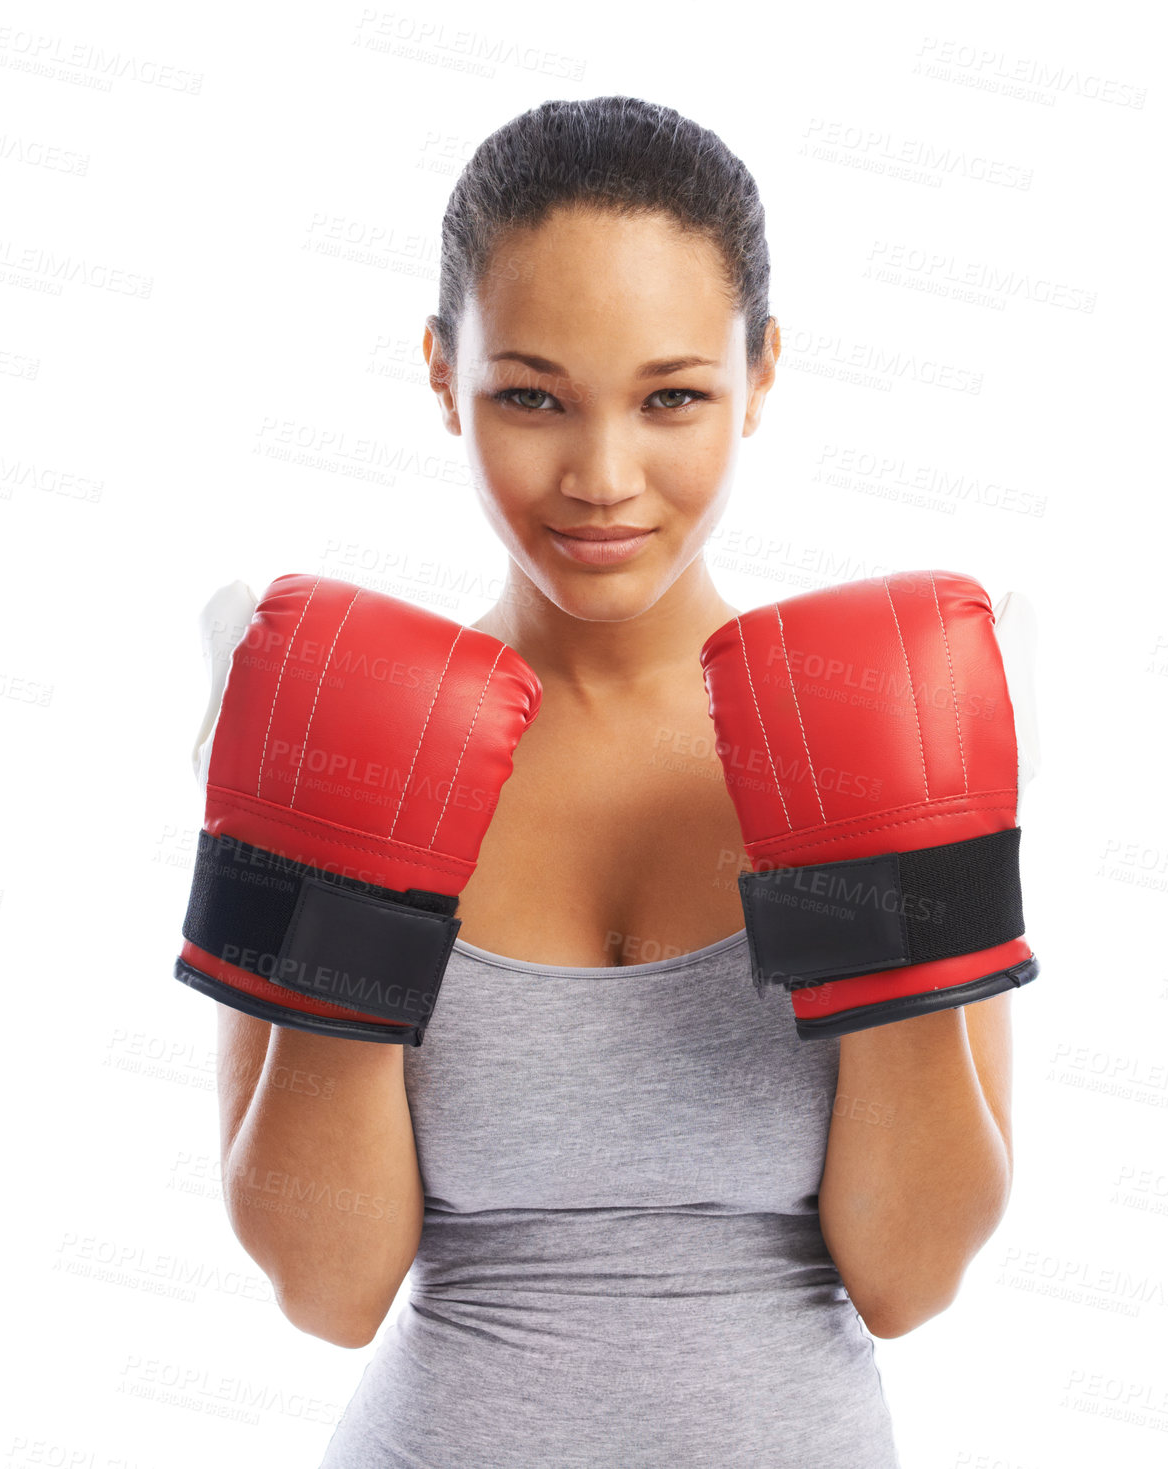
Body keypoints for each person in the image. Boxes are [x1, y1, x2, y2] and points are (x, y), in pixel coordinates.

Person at [205, 95, 1024, 1468]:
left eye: (671, 398)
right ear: (436, 369)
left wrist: (900, 874)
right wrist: (339, 856)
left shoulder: (877, 713)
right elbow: (326, 1286)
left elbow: (910, 1273)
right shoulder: (336, 723)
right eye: (529, 395)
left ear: (759, 374)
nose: (600, 477)